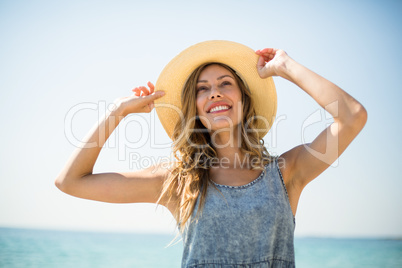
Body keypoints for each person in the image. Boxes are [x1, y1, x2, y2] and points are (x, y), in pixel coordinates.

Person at [55, 40, 367, 267]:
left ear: (244, 100)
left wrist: (287, 67)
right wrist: (117, 111)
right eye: (202, 88)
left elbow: (352, 116)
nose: (214, 92)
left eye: (225, 83)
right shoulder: (178, 181)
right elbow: (71, 181)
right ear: (196, 109)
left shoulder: (287, 173)